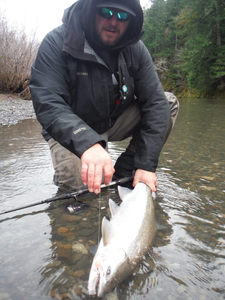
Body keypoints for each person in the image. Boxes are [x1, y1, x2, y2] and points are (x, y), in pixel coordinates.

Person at [29, 0, 179, 195]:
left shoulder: (136, 49)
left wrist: (146, 164)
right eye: (106, 12)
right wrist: (86, 143)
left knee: (168, 103)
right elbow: (47, 101)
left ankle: (127, 168)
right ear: (91, 11)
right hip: (70, 131)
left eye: (123, 16)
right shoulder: (57, 42)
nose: (113, 22)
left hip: (111, 121)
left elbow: (156, 103)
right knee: (86, 190)